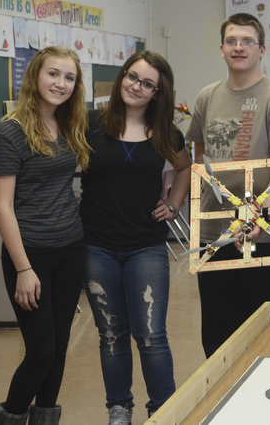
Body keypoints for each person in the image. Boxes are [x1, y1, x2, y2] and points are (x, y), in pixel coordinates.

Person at [185, 13, 270, 357]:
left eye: (247, 41)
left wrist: (258, 217)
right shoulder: (207, 97)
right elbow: (200, 155)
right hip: (213, 231)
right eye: (232, 41)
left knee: (263, 329)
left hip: (262, 232)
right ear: (222, 49)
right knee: (218, 331)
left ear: (262, 49)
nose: (239, 47)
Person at [80, 51, 189, 424]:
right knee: (111, 334)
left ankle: (164, 408)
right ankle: (119, 409)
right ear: (122, 77)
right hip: (97, 245)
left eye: (147, 84)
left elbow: (184, 167)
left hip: (146, 245)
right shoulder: (91, 124)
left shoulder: (166, 133)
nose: (136, 86)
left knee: (151, 335)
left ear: (158, 93)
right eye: (132, 77)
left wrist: (174, 204)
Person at [0, 46, 89, 425]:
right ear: (35, 76)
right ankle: (10, 418)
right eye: (53, 74)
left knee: (60, 346)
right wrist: (23, 269)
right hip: (30, 254)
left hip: (70, 248)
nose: (60, 84)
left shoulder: (68, 124)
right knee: (41, 350)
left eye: (69, 78)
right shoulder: (10, 132)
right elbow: (2, 207)